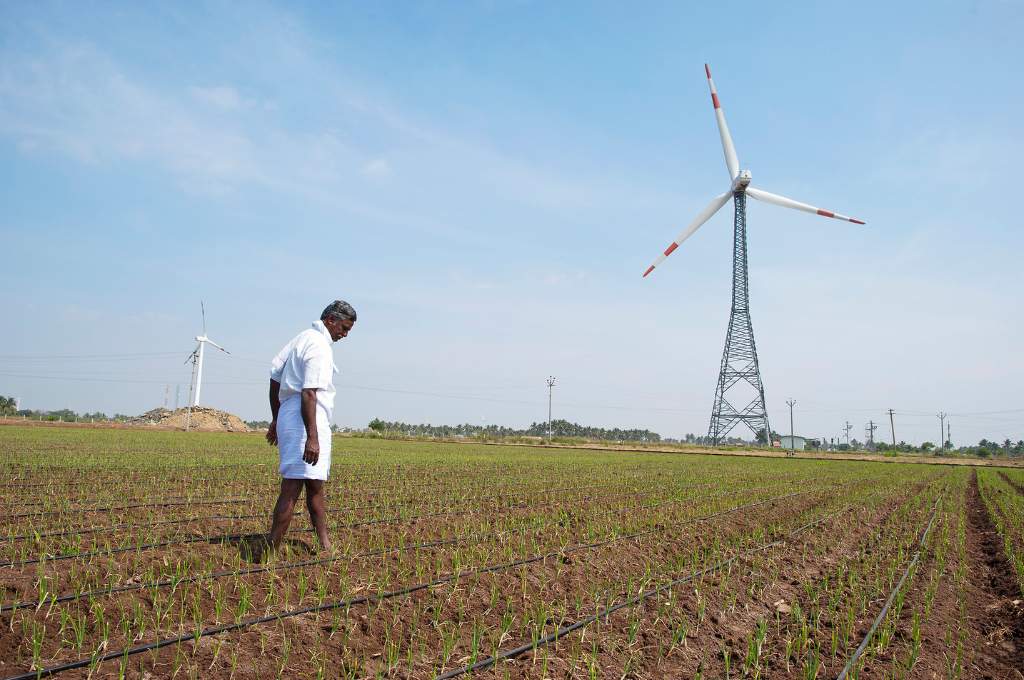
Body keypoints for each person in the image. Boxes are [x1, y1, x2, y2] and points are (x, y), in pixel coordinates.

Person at [265, 300, 356, 553]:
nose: (345, 334)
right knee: (292, 486)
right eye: (344, 327)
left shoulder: (301, 338)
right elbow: (309, 393)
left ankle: (324, 544)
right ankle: (270, 550)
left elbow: (274, 376)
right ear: (330, 320)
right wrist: (312, 438)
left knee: (315, 485)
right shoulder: (319, 346)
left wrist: (276, 417)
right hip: (305, 419)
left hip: (292, 415)